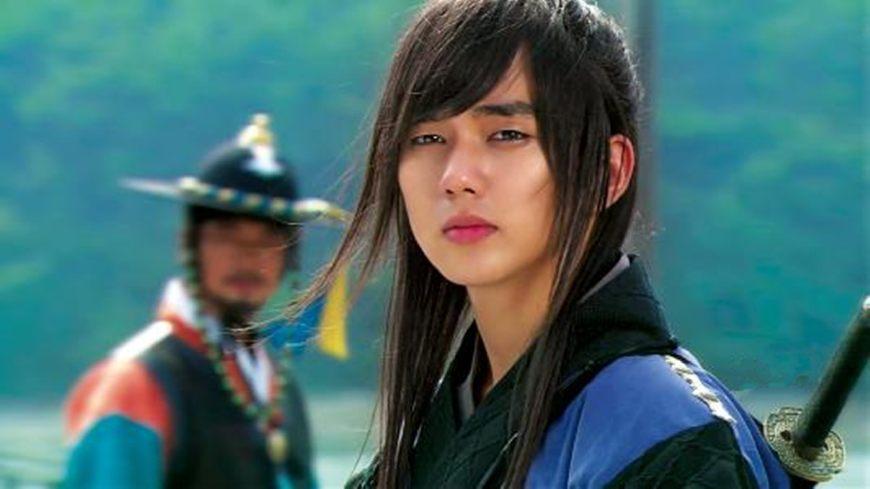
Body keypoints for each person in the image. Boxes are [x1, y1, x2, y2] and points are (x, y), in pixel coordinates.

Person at [293, 1, 796, 487]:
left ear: (608, 171)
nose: (456, 177)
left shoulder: (667, 437)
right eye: (426, 139)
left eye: (507, 134)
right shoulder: (424, 443)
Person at [63, 114, 349, 489]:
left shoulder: (277, 382)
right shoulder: (134, 384)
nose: (248, 257)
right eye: (227, 234)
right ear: (189, 243)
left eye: (268, 238)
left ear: (290, 255)